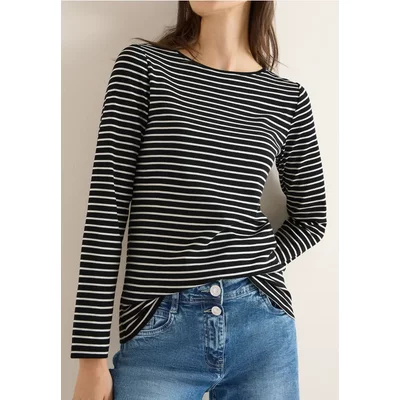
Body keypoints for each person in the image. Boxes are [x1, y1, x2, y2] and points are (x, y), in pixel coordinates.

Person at [71, 1, 328, 399]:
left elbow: (312, 219)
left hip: (261, 326)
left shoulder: (286, 97)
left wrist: (251, 260)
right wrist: (90, 359)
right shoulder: (144, 67)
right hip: (158, 326)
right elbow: (107, 209)